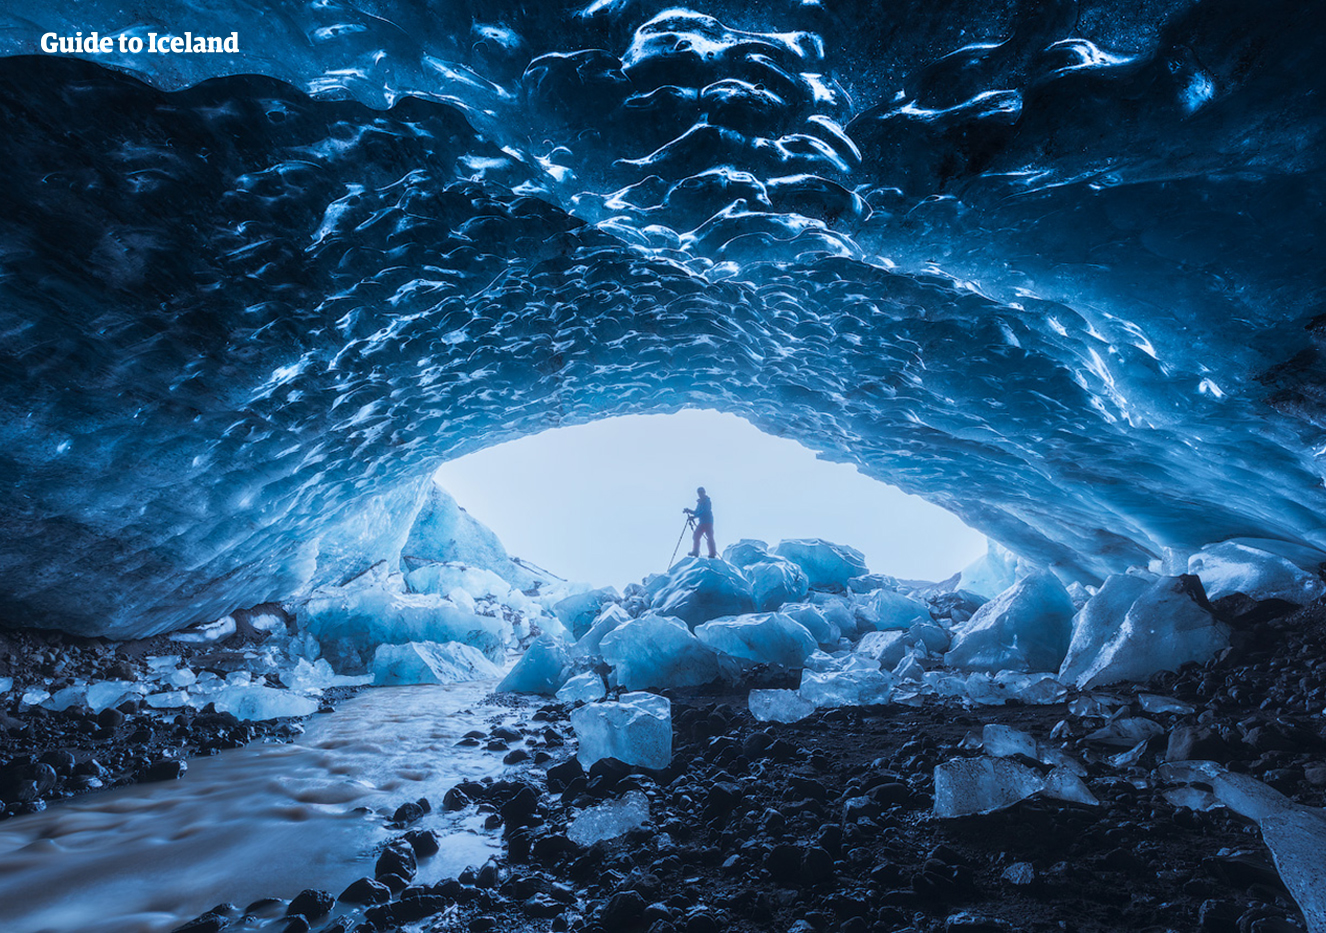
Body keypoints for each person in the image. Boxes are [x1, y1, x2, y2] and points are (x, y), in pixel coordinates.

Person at [684, 487, 716, 559]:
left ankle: (712, 553)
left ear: (704, 492)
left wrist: (694, 517)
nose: (700, 494)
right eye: (699, 493)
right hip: (702, 522)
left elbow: (705, 511)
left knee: (709, 537)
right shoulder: (700, 502)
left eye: (701, 492)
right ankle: (695, 552)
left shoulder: (707, 501)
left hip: (708, 522)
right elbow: (697, 512)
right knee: (696, 536)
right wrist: (689, 511)